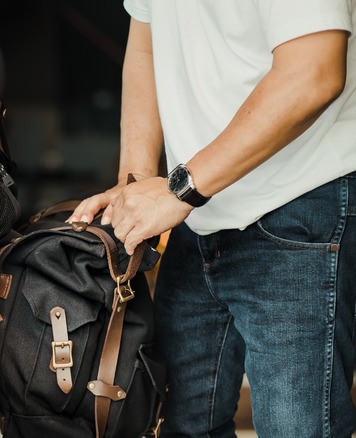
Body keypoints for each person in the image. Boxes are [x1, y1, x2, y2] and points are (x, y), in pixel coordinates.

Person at [67, 1, 356, 437]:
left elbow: (314, 71)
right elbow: (146, 44)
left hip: (296, 198)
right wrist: (137, 184)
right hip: (195, 210)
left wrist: (179, 188)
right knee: (180, 425)